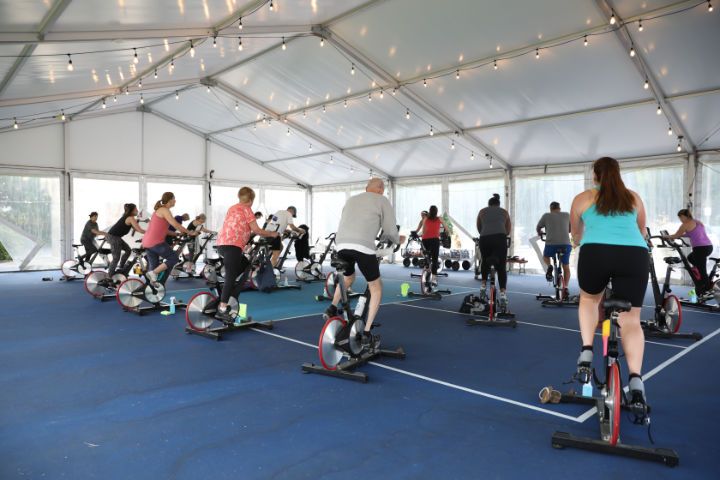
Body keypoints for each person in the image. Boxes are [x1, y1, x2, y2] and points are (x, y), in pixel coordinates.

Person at [570, 156, 649, 408]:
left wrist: (576, 241)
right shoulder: (633, 197)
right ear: (618, 174)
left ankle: (586, 351)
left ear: (595, 176)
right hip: (634, 255)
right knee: (631, 319)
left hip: (596, 253)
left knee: (589, 299)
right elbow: (642, 230)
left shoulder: (583, 198)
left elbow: (576, 233)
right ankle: (636, 380)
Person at [326, 178, 401, 348]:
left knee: (348, 278)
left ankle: (332, 307)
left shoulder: (352, 199)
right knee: (376, 287)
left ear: (366, 188)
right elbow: (389, 229)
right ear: (381, 190)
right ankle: (366, 333)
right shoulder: (382, 200)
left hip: (341, 245)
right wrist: (397, 239)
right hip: (363, 246)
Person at [214, 187, 279, 322]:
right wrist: (272, 233)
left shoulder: (233, 208)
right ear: (251, 200)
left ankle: (227, 293)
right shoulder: (247, 209)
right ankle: (222, 308)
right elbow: (256, 229)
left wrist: (248, 237)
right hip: (233, 246)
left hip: (222, 243)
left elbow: (239, 227)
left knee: (245, 264)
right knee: (231, 276)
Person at [142, 193, 198, 285]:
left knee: (154, 266)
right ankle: (153, 273)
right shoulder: (165, 210)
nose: (175, 201)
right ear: (169, 200)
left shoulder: (159, 211)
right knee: (173, 258)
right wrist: (190, 232)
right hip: (156, 242)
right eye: (174, 199)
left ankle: (151, 288)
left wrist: (176, 234)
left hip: (147, 242)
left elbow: (165, 230)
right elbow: (175, 224)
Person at [664, 209, 715, 294]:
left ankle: (706, 290)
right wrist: (681, 236)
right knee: (690, 257)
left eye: (680, 217)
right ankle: (699, 274)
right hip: (708, 246)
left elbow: (676, 235)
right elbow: (693, 233)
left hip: (700, 248)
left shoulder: (685, 224)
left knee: (702, 270)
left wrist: (666, 237)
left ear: (684, 216)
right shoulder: (697, 222)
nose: (680, 219)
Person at [476, 193, 511, 307]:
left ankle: (483, 284)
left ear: (489, 204)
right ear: (498, 204)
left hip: (484, 238)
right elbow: (508, 230)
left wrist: (485, 233)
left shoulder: (482, 211)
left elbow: (479, 228)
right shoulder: (504, 212)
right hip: (500, 238)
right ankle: (502, 294)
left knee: (485, 261)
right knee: (501, 266)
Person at [536, 202, 572, 298]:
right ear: (559, 208)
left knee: (546, 256)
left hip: (551, 244)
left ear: (551, 209)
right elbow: (570, 230)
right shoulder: (567, 215)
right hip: (566, 244)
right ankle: (566, 287)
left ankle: (549, 266)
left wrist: (540, 233)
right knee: (566, 267)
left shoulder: (546, 215)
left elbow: (538, 227)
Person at [106, 203, 145, 279]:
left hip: (116, 237)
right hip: (113, 237)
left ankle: (121, 267)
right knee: (116, 257)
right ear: (132, 210)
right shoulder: (130, 218)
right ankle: (110, 276)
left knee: (128, 250)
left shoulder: (128, 217)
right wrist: (151, 232)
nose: (137, 210)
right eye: (136, 209)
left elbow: (134, 228)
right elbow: (139, 229)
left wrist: (142, 221)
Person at [415, 205, 449, 283]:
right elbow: (447, 229)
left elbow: (423, 231)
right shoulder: (440, 218)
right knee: (434, 260)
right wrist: (446, 234)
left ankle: (427, 269)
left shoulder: (425, 219)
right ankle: (433, 279)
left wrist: (418, 233)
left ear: (429, 211)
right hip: (434, 241)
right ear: (436, 212)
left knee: (427, 257)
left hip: (425, 241)